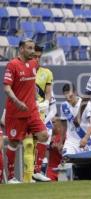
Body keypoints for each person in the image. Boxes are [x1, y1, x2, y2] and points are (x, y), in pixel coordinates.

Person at [3, 39, 48, 184]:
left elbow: (31, 85)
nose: (33, 51)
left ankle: (37, 171)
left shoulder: (34, 64)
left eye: (33, 48)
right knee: (14, 143)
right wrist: (17, 102)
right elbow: (7, 88)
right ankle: (10, 177)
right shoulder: (12, 65)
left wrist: (37, 100)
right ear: (21, 49)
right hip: (16, 112)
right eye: (29, 48)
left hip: (32, 111)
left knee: (44, 136)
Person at [23, 45, 54, 182]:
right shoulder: (24, 70)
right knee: (28, 143)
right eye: (35, 56)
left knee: (42, 138)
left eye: (39, 57)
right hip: (26, 110)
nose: (37, 59)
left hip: (40, 110)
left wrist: (46, 103)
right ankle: (27, 176)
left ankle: (37, 170)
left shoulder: (47, 72)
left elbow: (48, 92)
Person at [60, 84, 91, 156]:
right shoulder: (64, 106)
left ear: (75, 93)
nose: (68, 99)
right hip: (70, 141)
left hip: (85, 140)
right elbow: (63, 126)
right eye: (66, 97)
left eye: (70, 96)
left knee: (84, 165)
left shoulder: (86, 105)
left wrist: (85, 138)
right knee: (66, 160)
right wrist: (61, 142)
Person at [46, 116, 65, 181]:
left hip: (63, 167)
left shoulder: (65, 136)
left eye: (53, 122)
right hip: (51, 168)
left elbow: (65, 151)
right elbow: (46, 153)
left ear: (59, 123)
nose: (51, 124)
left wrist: (58, 146)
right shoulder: (49, 137)